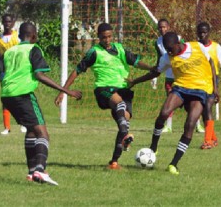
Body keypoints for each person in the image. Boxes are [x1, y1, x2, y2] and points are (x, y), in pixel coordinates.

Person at [0, 22, 82, 185]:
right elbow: (39, 75)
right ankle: (40, 170)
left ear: (19, 36)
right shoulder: (34, 49)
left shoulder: (9, 52)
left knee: (32, 131)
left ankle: (32, 171)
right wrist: (67, 91)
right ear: (34, 36)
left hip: (7, 97)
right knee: (43, 133)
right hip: (23, 94)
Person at [55, 22, 153, 170]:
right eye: (103, 37)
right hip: (104, 89)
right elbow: (77, 71)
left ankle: (114, 162)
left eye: (109, 37)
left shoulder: (120, 49)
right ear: (98, 37)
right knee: (119, 105)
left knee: (124, 125)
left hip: (124, 89)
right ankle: (126, 136)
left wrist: (152, 68)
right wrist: (63, 91)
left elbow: (136, 62)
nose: (107, 40)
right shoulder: (94, 52)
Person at [128, 32, 218, 175]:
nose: (170, 52)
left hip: (200, 90)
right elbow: (155, 73)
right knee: (164, 113)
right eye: (167, 49)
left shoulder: (197, 46)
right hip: (181, 88)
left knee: (190, 124)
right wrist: (135, 81)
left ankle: (174, 164)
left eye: (171, 48)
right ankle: (154, 147)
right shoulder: (167, 57)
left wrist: (215, 89)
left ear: (178, 43)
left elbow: (211, 63)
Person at [152, 19, 204, 133]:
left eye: (164, 27)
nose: (162, 29)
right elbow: (159, 59)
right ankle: (169, 126)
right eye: (160, 27)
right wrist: (154, 76)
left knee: (192, 102)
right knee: (169, 102)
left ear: (168, 27)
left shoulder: (177, 38)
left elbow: (184, 52)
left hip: (182, 76)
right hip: (169, 75)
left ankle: (198, 125)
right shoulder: (158, 42)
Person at [196, 22, 221, 149]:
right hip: (198, 81)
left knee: (208, 107)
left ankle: (208, 141)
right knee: (201, 110)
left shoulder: (216, 47)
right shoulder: (194, 47)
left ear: (209, 33)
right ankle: (213, 138)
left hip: (213, 81)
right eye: (200, 32)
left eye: (205, 32)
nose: (202, 35)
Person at [0, 13, 26, 135]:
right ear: (2, 23)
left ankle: (23, 123)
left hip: (17, 71)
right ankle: (7, 127)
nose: (7, 24)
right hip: (5, 73)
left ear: (13, 23)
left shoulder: (17, 37)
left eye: (9, 22)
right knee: (6, 99)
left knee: (19, 97)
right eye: (5, 22)